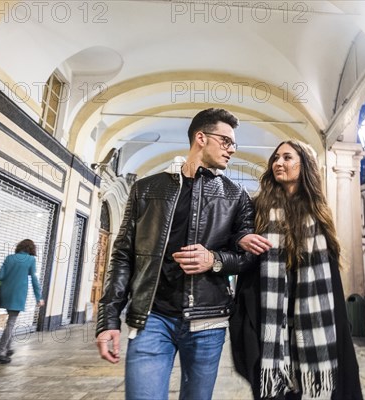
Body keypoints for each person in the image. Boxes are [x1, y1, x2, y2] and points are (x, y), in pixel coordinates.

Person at [96, 108, 263, 400]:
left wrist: (215, 260)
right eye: (226, 141)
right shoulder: (146, 189)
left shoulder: (236, 196)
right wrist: (108, 319)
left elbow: (247, 257)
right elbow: (123, 256)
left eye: (234, 144)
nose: (232, 150)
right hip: (151, 319)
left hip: (207, 322)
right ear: (201, 137)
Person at [232, 140, 363, 399]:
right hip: (269, 318)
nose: (278, 163)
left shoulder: (319, 212)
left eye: (287, 158)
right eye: (276, 158)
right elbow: (241, 252)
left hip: (313, 318)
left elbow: (331, 274)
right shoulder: (258, 207)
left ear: (304, 166)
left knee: (309, 388)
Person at [0, 239, 44, 365]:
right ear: (31, 249)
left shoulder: (9, 258)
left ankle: (7, 348)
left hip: (5, 292)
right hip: (18, 294)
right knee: (11, 322)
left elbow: (0, 277)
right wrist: (39, 297)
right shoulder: (31, 260)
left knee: (10, 321)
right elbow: (34, 280)